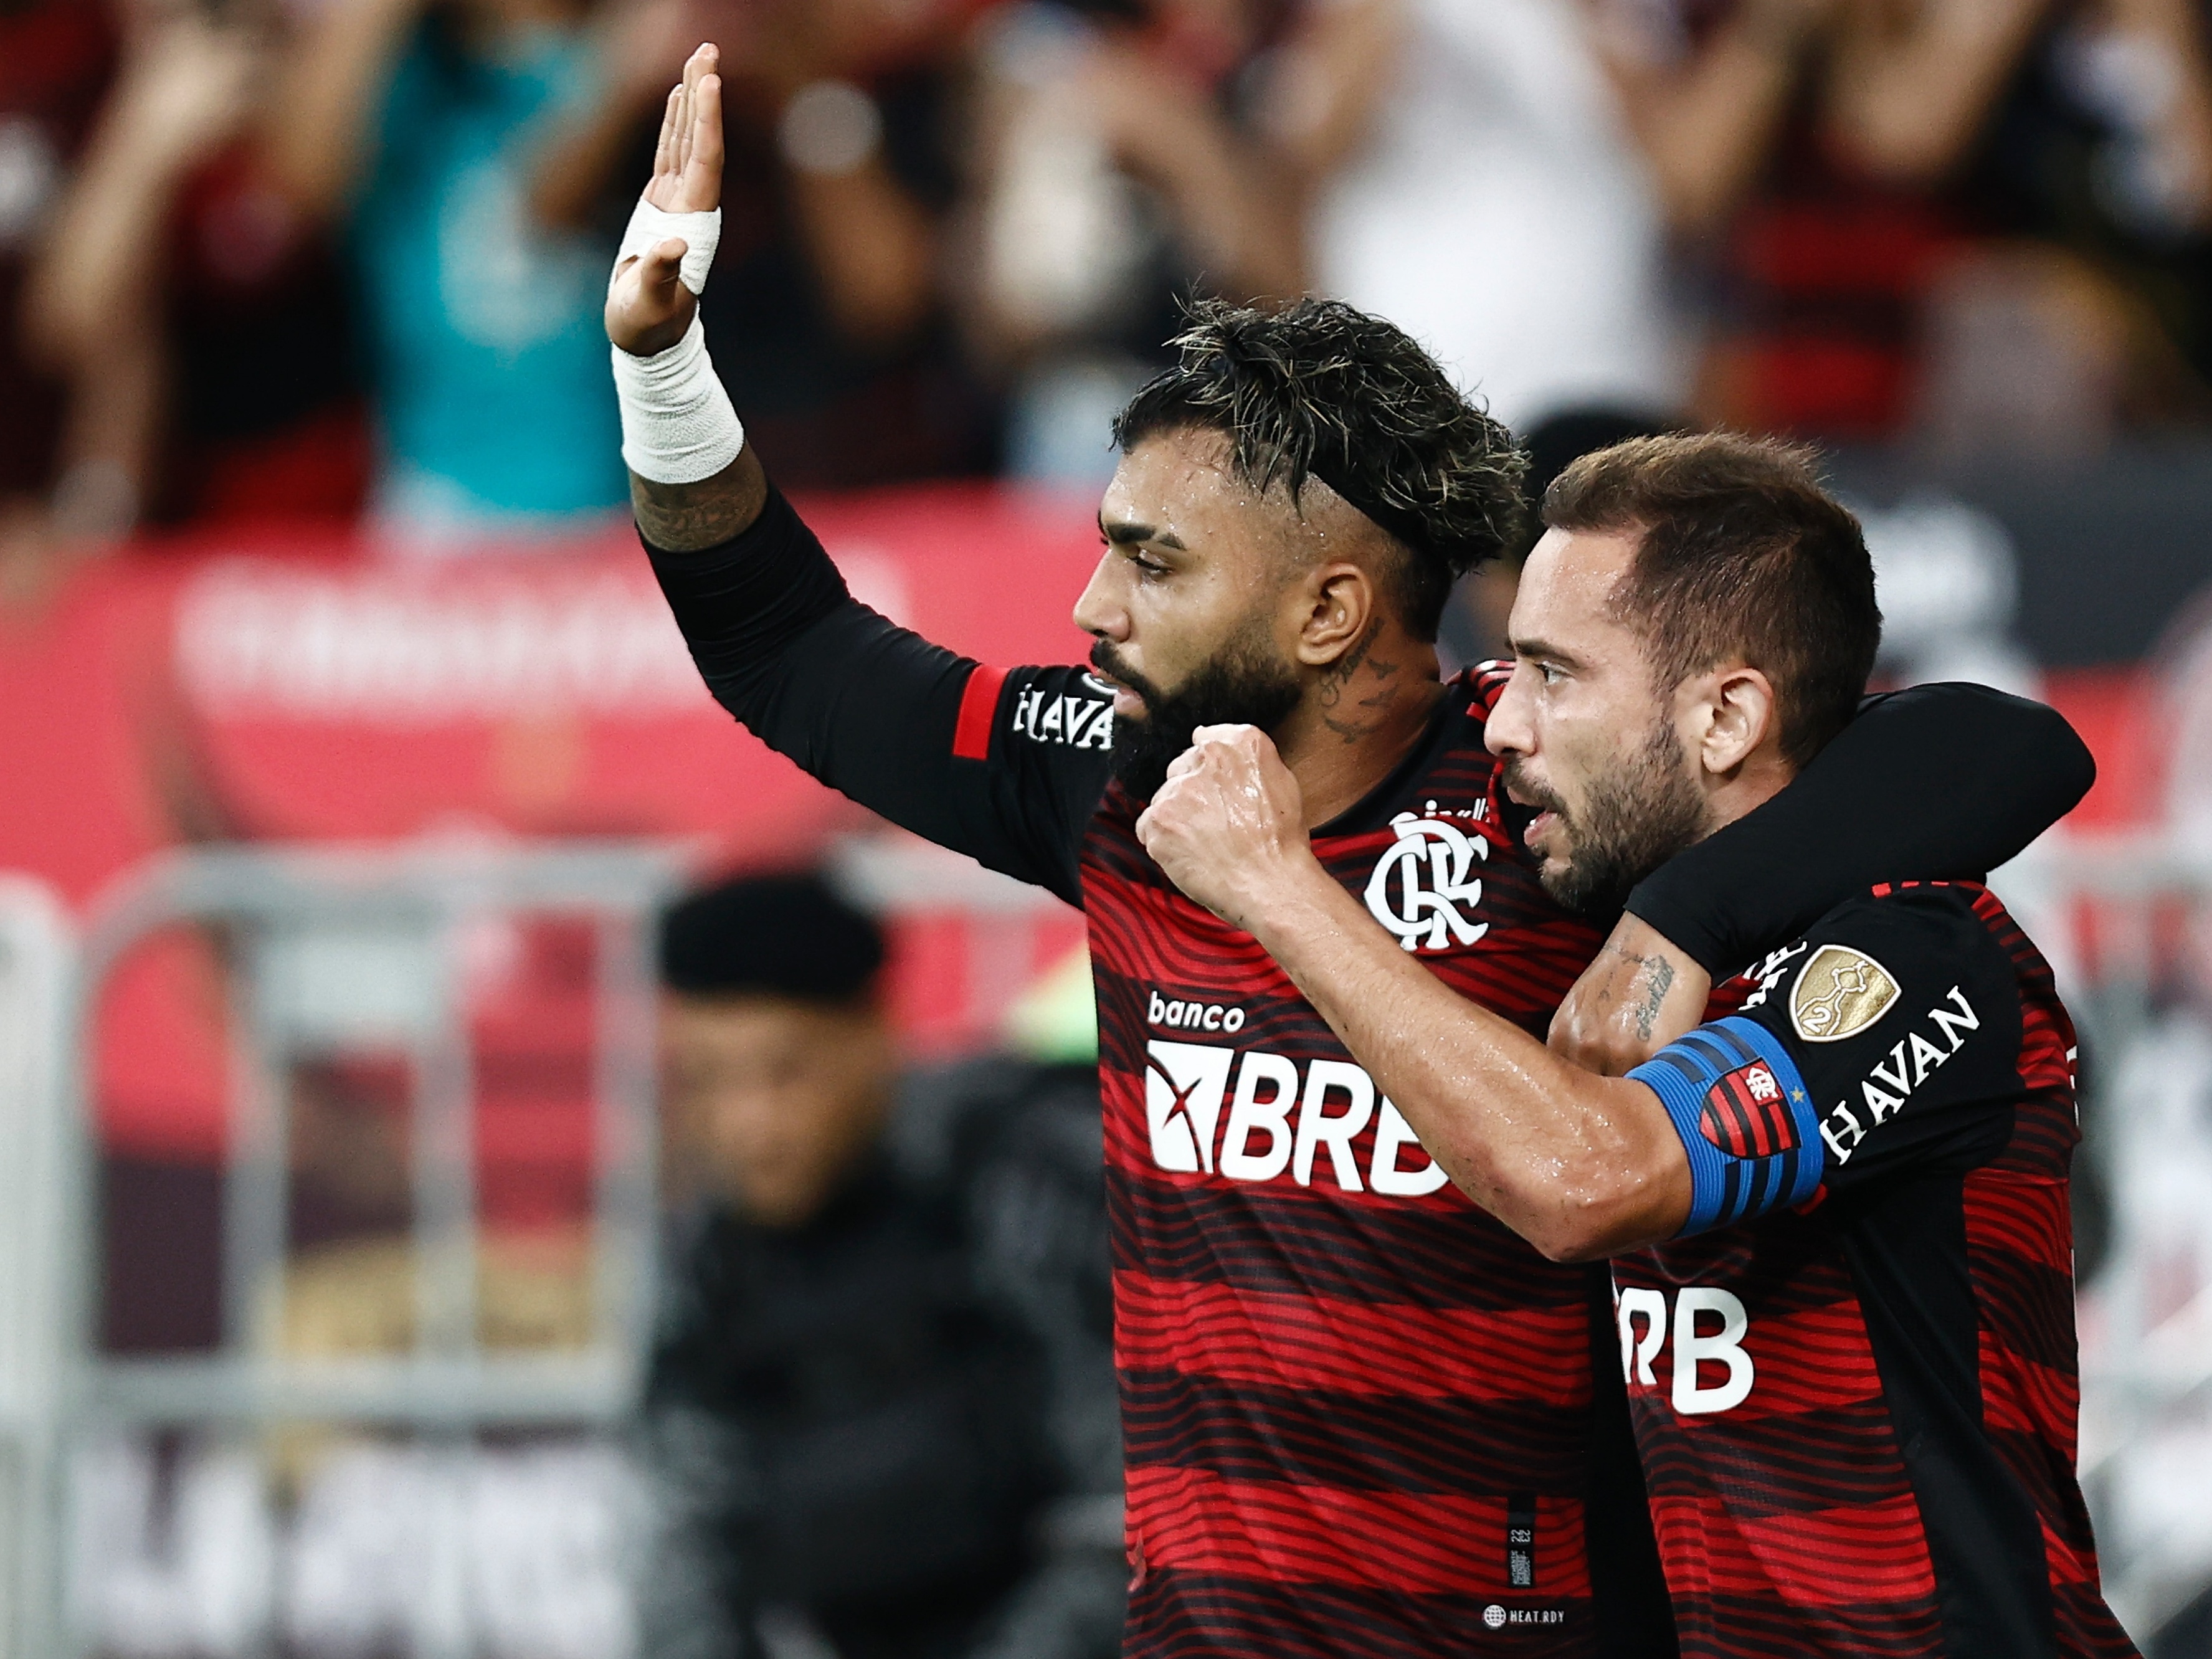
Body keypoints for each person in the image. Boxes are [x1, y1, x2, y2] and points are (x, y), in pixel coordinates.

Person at [605, 49, 2091, 1653]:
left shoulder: (1556, 802)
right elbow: (782, 643)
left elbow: (1980, 741)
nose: (1092, 611)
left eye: (1152, 565)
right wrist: (664, 365)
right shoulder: (1112, 787)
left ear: (1324, 611)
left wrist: (1675, 915)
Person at [1131, 432, 2133, 1656]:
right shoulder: (1593, 868)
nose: (1499, 722)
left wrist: (1278, 889)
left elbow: (1591, 1182)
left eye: (1552, 671)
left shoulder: (1913, 962)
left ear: (1721, 715)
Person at [643, 871, 1123, 1659]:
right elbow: (679, 1532)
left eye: (783, 1071)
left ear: (874, 1032)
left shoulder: (1018, 1186)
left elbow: (1127, 1510)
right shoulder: (710, 1257)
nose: (749, 1125)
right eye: (708, 1079)